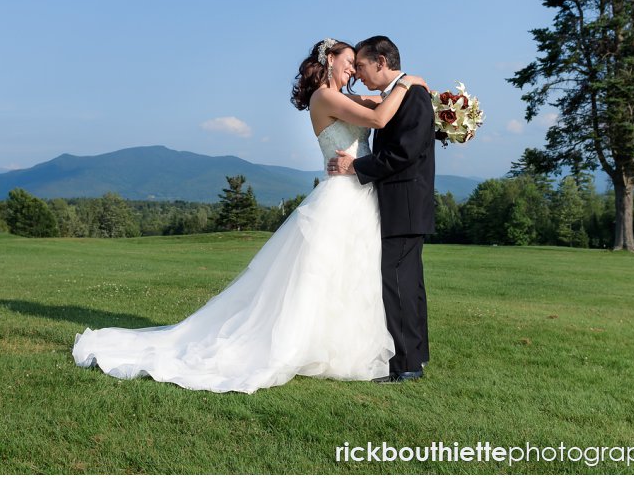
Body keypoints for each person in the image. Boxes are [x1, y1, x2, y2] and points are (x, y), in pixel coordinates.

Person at [71, 38, 426, 393]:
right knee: (321, 275)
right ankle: (300, 345)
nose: (353, 70)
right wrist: (410, 82)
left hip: (363, 195)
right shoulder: (324, 97)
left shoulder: (346, 97)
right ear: (329, 59)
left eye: (357, 64)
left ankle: (354, 347)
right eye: (349, 62)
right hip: (342, 194)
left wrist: (418, 94)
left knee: (354, 274)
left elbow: (383, 100)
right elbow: (379, 117)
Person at [328, 35, 435, 383]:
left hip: (404, 203)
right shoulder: (400, 93)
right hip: (401, 203)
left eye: (361, 65)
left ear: (382, 61)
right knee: (407, 282)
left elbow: (402, 154)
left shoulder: (413, 96)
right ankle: (414, 357)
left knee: (398, 284)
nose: (357, 72)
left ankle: (404, 365)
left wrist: (355, 167)